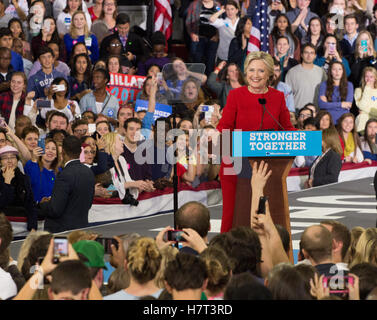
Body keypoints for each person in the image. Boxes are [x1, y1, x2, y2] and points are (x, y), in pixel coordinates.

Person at [216, 51, 295, 233]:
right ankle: (227, 251)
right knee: (233, 212)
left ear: (269, 75)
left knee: (266, 212)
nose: (255, 75)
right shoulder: (236, 95)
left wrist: (299, 139)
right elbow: (224, 127)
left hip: (268, 166)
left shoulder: (277, 97)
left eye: (260, 71)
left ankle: (269, 251)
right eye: (251, 70)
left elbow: (287, 129)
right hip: (235, 163)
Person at [38, 135, 95, 233]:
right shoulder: (88, 172)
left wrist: (42, 204)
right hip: (82, 229)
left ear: (63, 152)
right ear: (80, 151)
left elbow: (55, 210)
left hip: (62, 232)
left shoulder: (65, 174)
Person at [0, 145, 37, 231]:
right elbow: (2, 204)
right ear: (0, 162)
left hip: (22, 226)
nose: (9, 161)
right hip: (3, 226)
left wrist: (33, 227)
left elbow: (30, 204)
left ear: (17, 161)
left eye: (13, 157)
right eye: (5, 158)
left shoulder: (24, 178)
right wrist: (7, 183)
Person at [286, 43, 327, 112]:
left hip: (316, 112)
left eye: (311, 53)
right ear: (301, 55)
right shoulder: (292, 72)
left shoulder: (321, 72)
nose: (309, 56)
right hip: (298, 111)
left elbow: (325, 92)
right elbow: (287, 96)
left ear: (315, 56)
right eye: (306, 53)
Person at [185, 0, 221, 76]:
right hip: (198, 38)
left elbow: (221, 21)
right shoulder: (194, 4)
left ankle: (209, 84)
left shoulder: (217, 5)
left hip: (213, 39)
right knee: (197, 61)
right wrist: (192, 34)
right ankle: (197, 82)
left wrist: (217, 35)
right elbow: (188, 21)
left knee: (210, 62)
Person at [24, 138, 59, 203]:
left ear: (56, 154)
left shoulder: (59, 171)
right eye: (47, 148)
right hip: (35, 208)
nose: (50, 151)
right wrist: (34, 159)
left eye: (53, 149)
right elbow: (32, 182)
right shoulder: (31, 164)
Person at [318, 60, 354, 125]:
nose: (337, 72)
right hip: (328, 121)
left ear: (343, 71)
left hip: (344, 122)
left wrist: (329, 105)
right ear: (330, 71)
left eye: (340, 69)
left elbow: (348, 105)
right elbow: (321, 105)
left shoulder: (349, 85)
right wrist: (341, 104)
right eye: (334, 69)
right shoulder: (324, 85)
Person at [354, 67, 377, 133]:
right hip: (364, 120)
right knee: (362, 117)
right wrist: (367, 88)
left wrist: (365, 111)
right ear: (363, 78)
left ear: (375, 78)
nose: (368, 79)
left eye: (371, 77)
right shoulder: (358, 90)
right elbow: (361, 106)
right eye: (366, 76)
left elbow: (364, 109)